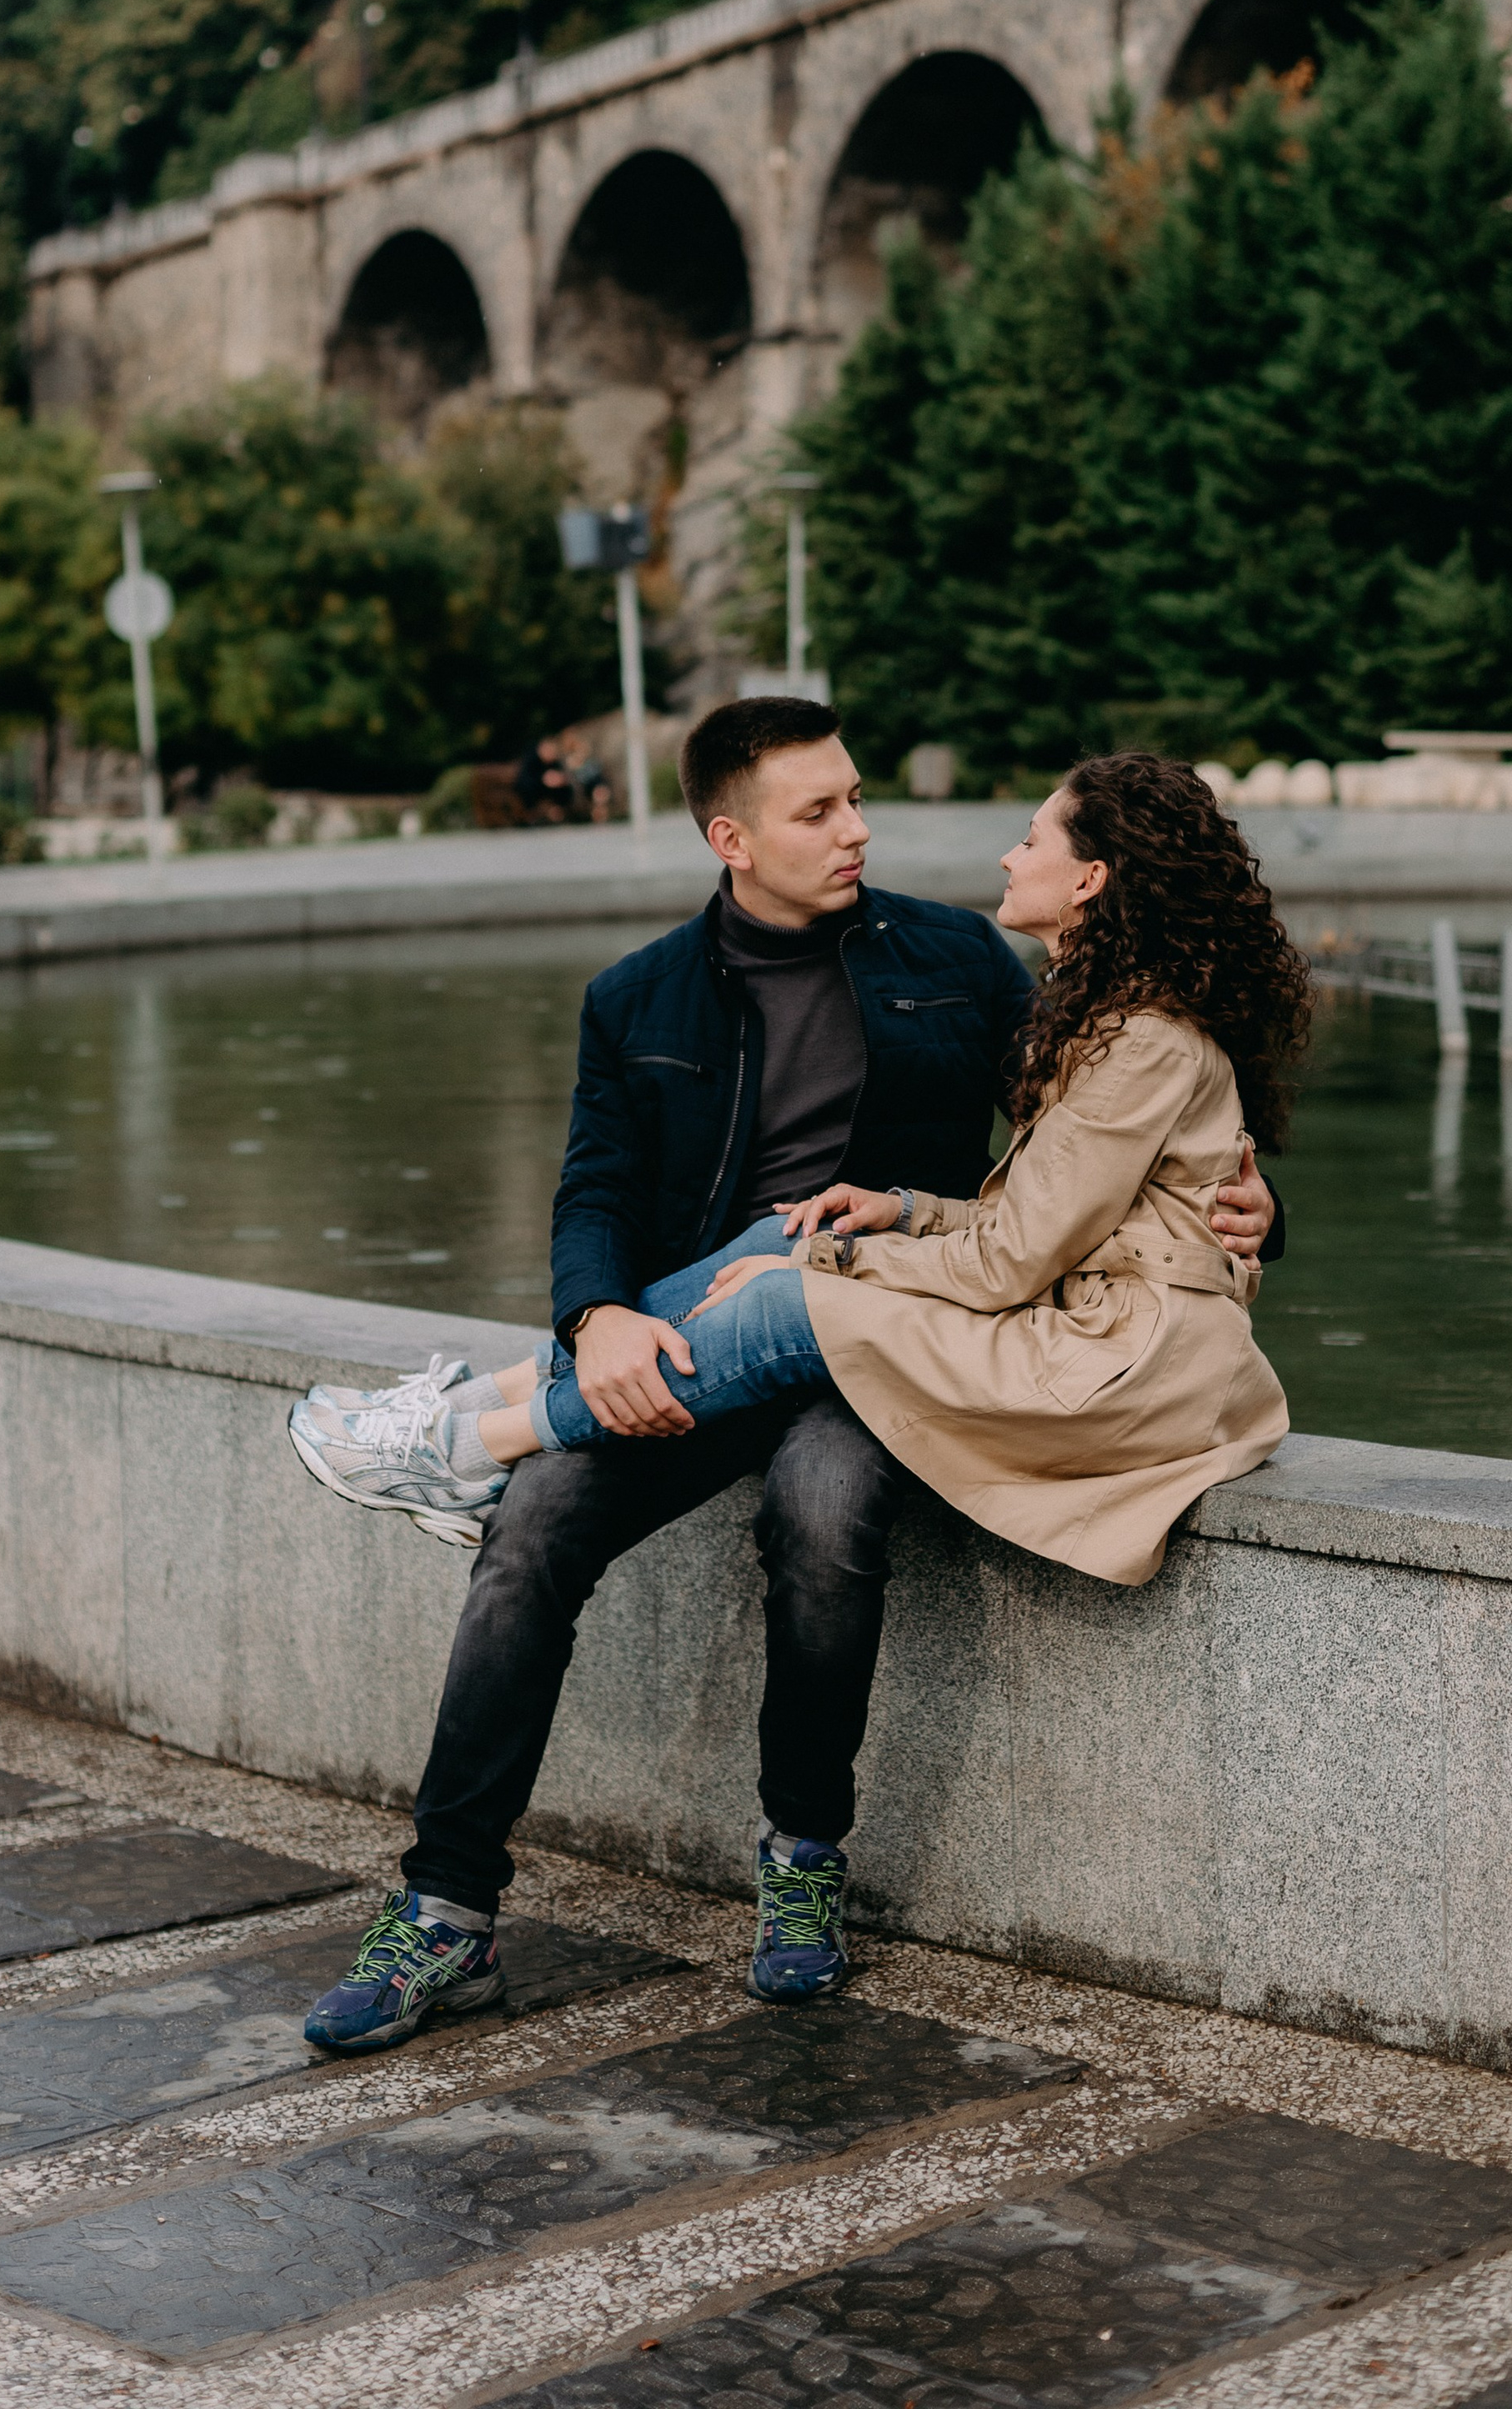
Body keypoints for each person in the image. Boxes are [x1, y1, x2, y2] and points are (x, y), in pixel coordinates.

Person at [288, 706, 1285, 2053]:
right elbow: (595, 1193)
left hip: (882, 1352)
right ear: (731, 836)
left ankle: (803, 1854)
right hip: (690, 1338)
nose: (857, 829)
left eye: (856, 798)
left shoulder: (957, 956)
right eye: (818, 811)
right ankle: (445, 1911)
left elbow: (1092, 1148)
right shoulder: (636, 995)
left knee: (822, 1508)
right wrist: (595, 1323)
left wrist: (1258, 1213)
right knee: (530, 1532)